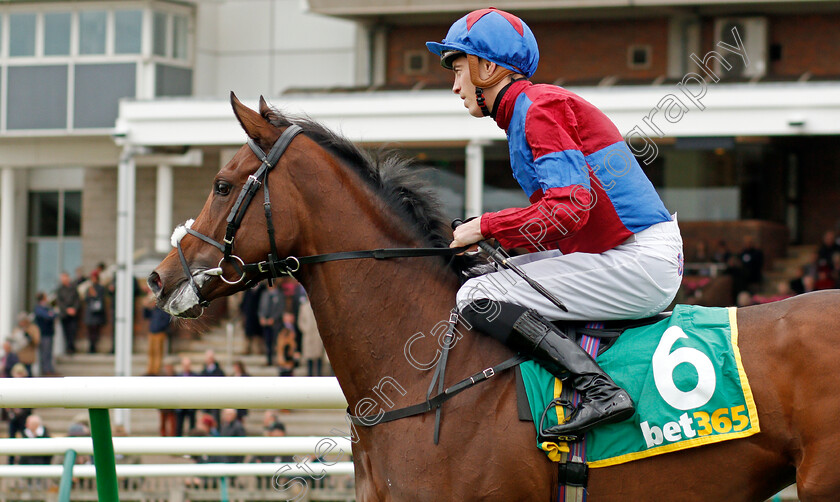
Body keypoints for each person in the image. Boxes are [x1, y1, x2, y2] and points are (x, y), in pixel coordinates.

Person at [426, 8, 683, 438]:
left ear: (487, 68)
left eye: (458, 69)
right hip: (625, 252)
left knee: (477, 294)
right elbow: (562, 217)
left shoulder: (539, 108)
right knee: (484, 274)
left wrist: (486, 226)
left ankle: (600, 390)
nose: (455, 86)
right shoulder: (530, 109)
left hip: (638, 259)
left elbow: (568, 209)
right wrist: (493, 237)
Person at [142, 290, 172, 376]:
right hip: (152, 333)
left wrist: (161, 328)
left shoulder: (163, 309)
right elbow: (146, 316)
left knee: (158, 353)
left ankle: (156, 370)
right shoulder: (154, 309)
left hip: (160, 333)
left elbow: (166, 321)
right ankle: (150, 369)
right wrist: (145, 306)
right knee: (151, 352)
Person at [298, 296, 326, 376]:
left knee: (318, 356)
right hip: (308, 335)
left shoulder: (320, 306)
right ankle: (310, 375)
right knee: (309, 357)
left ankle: (319, 374)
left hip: (317, 335)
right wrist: (306, 329)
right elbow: (300, 321)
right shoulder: (303, 307)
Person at [258, 283, 284, 366]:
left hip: (276, 323)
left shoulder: (279, 295)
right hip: (265, 323)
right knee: (267, 342)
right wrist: (261, 317)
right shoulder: (264, 294)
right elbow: (261, 307)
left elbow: (280, 309)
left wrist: (273, 319)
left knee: (276, 342)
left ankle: (277, 359)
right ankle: (269, 360)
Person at [56, 271, 81, 354]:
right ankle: (68, 348)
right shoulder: (59, 290)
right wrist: (66, 310)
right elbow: (59, 302)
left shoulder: (73, 288)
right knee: (66, 332)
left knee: (73, 331)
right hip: (65, 315)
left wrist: (74, 309)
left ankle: (72, 346)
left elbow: (77, 300)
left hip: (73, 314)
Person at [33, 293, 57, 376]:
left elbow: (53, 314)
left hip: (49, 333)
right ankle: (46, 370)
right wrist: (51, 314)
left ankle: (49, 369)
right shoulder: (39, 309)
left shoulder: (47, 307)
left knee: (49, 353)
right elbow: (48, 316)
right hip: (43, 334)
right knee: (45, 353)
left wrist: (52, 314)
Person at [83, 270, 108, 353]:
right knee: (90, 331)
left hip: (97, 313)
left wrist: (94, 294)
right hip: (90, 312)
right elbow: (86, 299)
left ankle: (93, 347)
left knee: (95, 330)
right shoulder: (89, 288)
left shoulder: (100, 288)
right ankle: (91, 346)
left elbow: (101, 299)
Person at [240, 284, 265, 355]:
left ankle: (258, 350)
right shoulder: (248, 288)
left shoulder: (262, 289)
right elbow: (244, 302)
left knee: (258, 334)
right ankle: (247, 349)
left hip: (259, 314)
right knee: (248, 333)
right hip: (249, 314)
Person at [175, 356, 197, 436]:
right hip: (181, 405)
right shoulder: (178, 376)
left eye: (188, 365)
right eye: (185, 365)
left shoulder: (195, 376)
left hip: (191, 405)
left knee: (192, 426)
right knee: (179, 426)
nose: (186, 367)